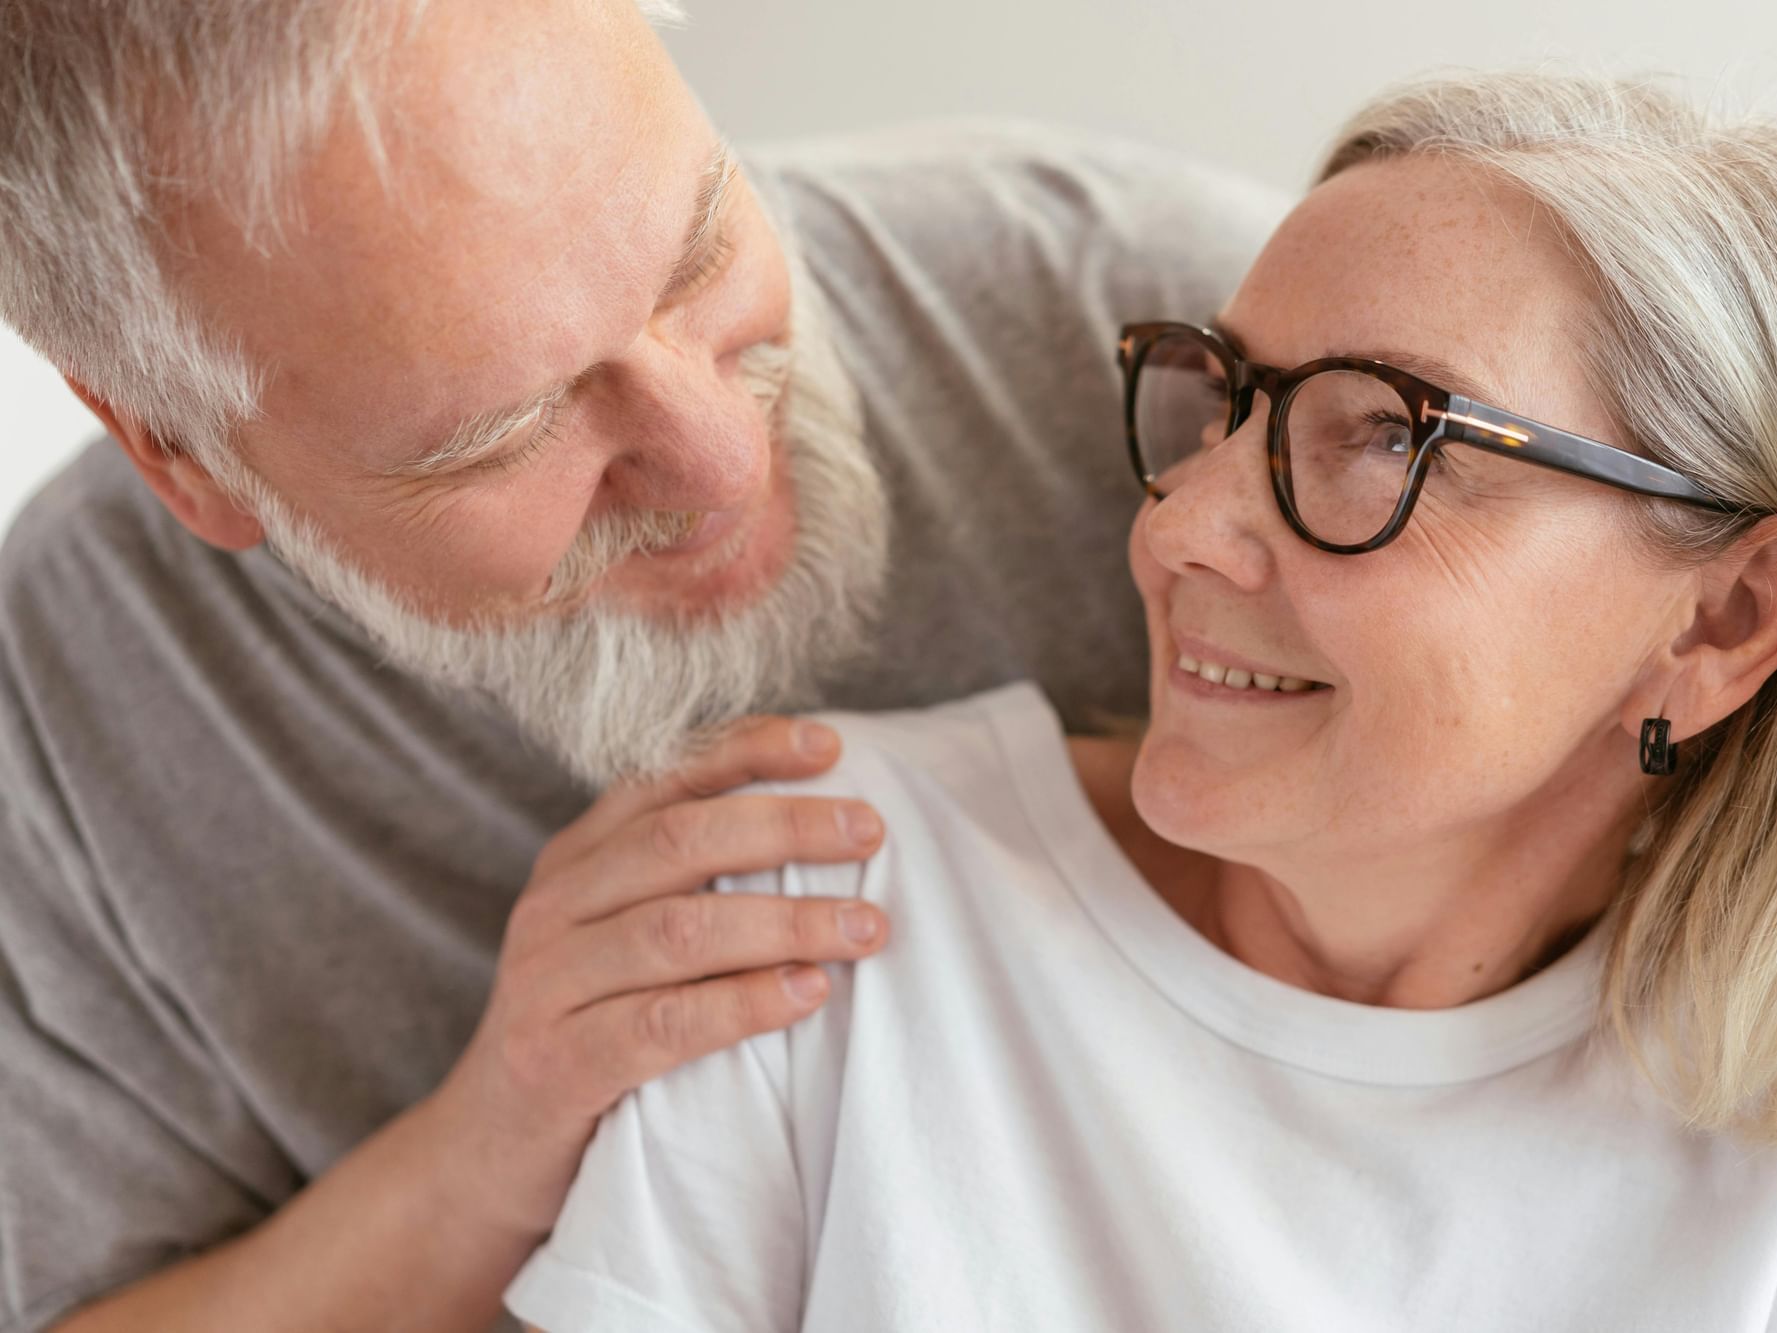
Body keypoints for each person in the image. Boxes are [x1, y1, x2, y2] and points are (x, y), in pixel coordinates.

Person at [0, 3, 1284, 1331]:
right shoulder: (66, 705)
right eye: (507, 433)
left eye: (700, 249)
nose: (725, 461)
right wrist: (481, 1157)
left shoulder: (1173, 343)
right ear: (180, 453)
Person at [506, 71, 1777, 1332]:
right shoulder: (830, 893)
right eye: (1228, 401)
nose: (1180, 525)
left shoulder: (1737, 1173)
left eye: (1389, 434)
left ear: (1719, 624)